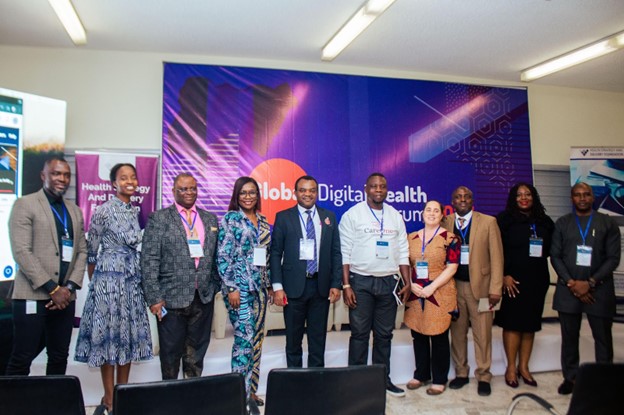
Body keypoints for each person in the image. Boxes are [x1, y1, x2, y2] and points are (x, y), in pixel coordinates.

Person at [74, 163, 153, 412]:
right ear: (113, 183)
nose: (130, 181)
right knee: (108, 340)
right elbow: (91, 251)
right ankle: (109, 399)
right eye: (123, 177)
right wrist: (99, 285)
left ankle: (123, 393)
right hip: (108, 283)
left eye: (133, 176)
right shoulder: (103, 211)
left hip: (131, 283)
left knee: (126, 339)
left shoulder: (134, 211)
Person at [6, 157, 87, 375]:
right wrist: (52, 288)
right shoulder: (25, 204)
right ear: (44, 176)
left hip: (65, 299)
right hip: (32, 295)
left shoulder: (74, 210)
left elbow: (82, 251)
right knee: (23, 356)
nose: (62, 179)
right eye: (56, 173)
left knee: (59, 356)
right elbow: (22, 251)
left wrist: (68, 289)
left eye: (66, 175)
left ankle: (54, 405)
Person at [141, 173, 220, 379]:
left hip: (202, 298)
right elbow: (149, 260)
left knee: (196, 356)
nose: (189, 192)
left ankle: (189, 400)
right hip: (170, 299)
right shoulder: (159, 219)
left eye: (193, 188)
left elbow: (216, 257)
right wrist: (154, 298)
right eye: (183, 189)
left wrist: (213, 286)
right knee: (170, 356)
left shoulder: (209, 219)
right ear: (173, 191)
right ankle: (170, 401)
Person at [339, 172, 412, 397]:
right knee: (359, 334)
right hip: (360, 282)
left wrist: (408, 282)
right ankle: (356, 381)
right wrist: (346, 286)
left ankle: (382, 380)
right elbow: (344, 252)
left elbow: (403, 250)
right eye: (374, 186)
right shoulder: (353, 214)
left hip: (389, 282)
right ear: (365, 188)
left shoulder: (395, 216)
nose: (378, 190)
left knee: (384, 335)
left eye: (382, 186)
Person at [551, 182, 621, 395]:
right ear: (572, 198)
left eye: (586, 195)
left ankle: (604, 381)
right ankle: (570, 379)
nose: (582, 198)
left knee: (603, 339)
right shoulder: (562, 223)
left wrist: (589, 283)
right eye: (577, 195)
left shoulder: (607, 223)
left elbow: (613, 258)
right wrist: (573, 283)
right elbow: (555, 256)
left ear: (593, 197)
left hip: (598, 290)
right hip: (568, 289)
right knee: (569, 339)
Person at [269, 175, 342, 369]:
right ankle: (295, 383)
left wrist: (336, 283)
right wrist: (277, 287)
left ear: (317, 193)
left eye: (311, 190)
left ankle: (316, 383)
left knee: (318, 341)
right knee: (293, 341)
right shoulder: (283, 217)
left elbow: (336, 252)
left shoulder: (329, 217)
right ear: (295, 193)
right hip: (293, 288)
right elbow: (275, 253)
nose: (307, 194)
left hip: (321, 287)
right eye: (302, 190)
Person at [441, 186, 503, 396]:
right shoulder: (446, 223)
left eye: (466, 196)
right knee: (457, 333)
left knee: (483, 334)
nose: (462, 200)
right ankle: (461, 373)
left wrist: (496, 288)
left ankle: (484, 375)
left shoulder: (488, 222)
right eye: (458, 197)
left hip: (483, 289)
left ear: (472, 200)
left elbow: (497, 258)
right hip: (454, 287)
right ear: (453, 201)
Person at [218, 177, 271, 414]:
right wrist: (231, 287)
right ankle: (237, 396)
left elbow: (265, 258)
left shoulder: (263, 221)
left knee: (256, 340)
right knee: (243, 339)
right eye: (243, 193)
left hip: (259, 289)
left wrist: (268, 286)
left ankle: (251, 391)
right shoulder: (231, 219)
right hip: (238, 289)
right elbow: (223, 256)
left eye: (252, 192)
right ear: (236, 196)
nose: (248, 196)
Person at [495, 183, 554, 388]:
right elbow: (496, 250)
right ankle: (511, 367)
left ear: (533, 197)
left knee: (530, 325)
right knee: (512, 323)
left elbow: (550, 251)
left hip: (537, 280)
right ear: (513, 198)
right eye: (519, 195)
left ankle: (524, 367)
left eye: (527, 194)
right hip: (513, 281)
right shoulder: (504, 220)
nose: (523, 198)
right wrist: (503, 275)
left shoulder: (545, 221)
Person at [404, 200, 460, 396]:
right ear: (422, 213)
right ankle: (421, 374)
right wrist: (411, 284)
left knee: (438, 335)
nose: (432, 213)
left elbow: (452, 267)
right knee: (418, 334)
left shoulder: (450, 238)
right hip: (415, 290)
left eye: (436, 210)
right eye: (428, 210)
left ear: (442, 215)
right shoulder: (410, 237)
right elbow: (403, 264)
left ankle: (439, 379)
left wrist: (432, 287)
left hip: (440, 290)